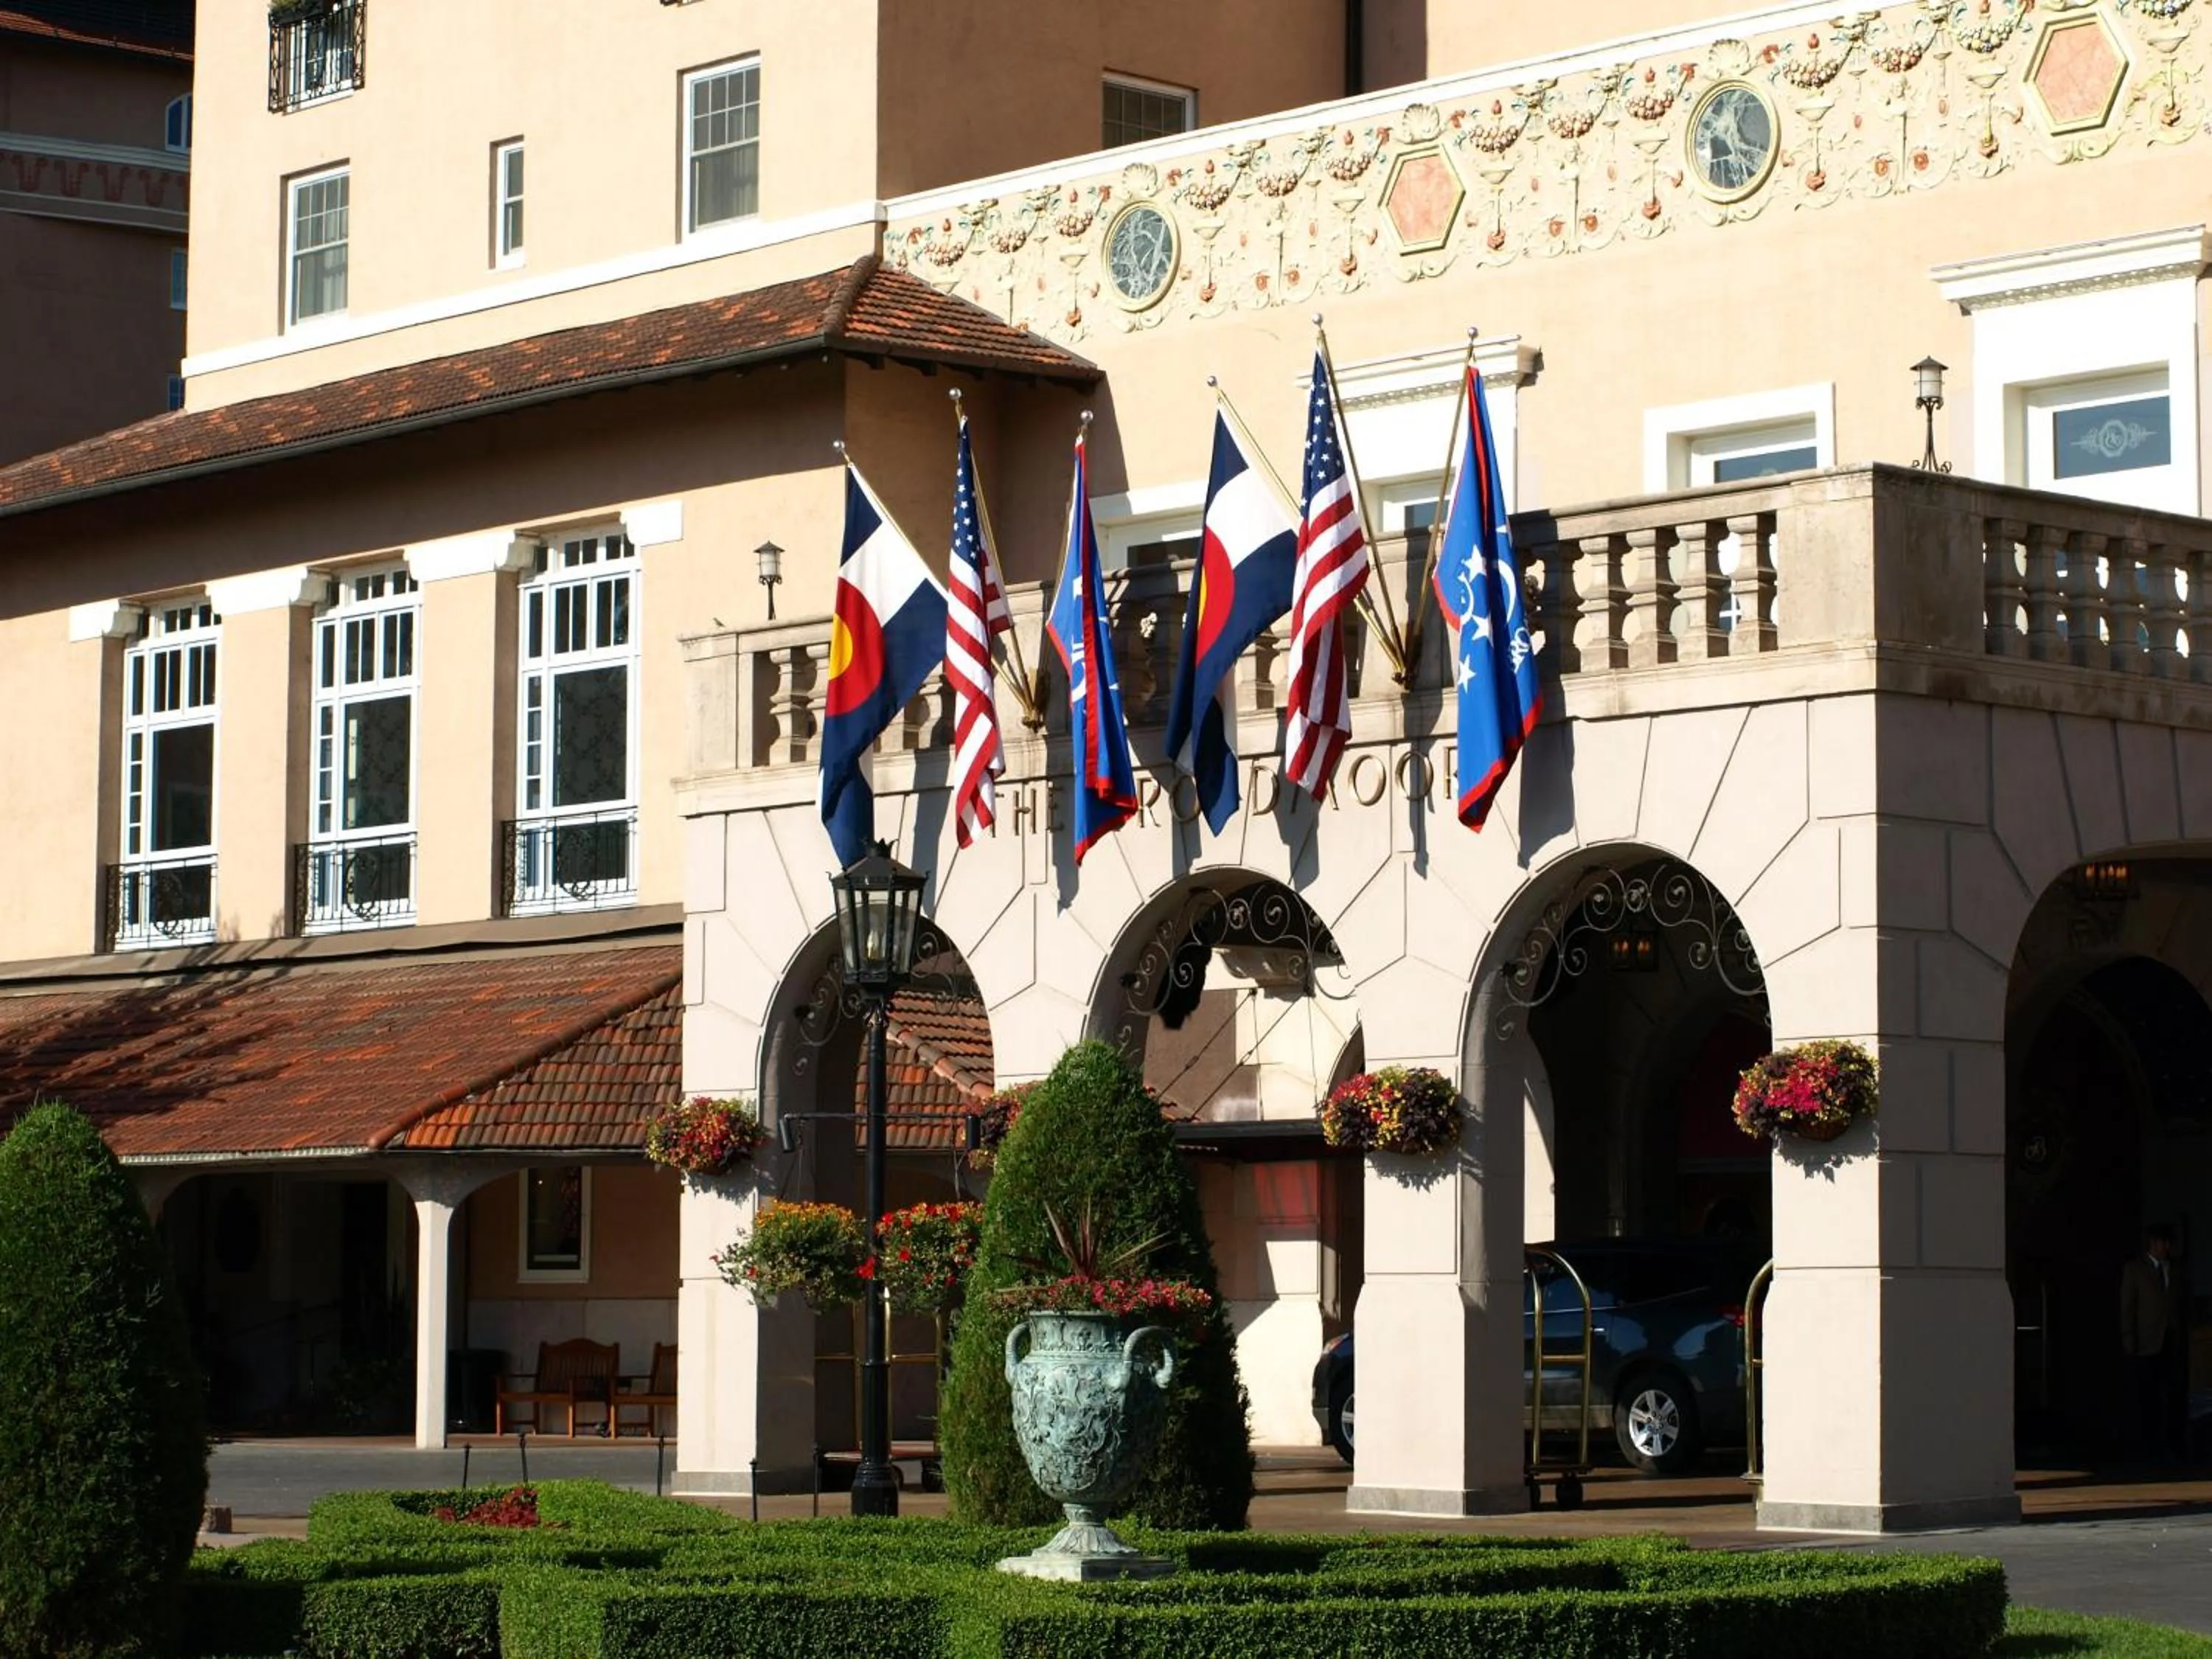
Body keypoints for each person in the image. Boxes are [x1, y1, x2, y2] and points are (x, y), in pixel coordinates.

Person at [2120, 1223, 2185, 1464]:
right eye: (2162, 1243)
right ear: (2152, 1244)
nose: (2166, 1248)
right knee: (2148, 1396)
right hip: (2146, 1342)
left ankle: (2173, 1445)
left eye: (2168, 1243)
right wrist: (2129, 1337)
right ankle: (2149, 1447)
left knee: (2173, 1394)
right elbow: (2128, 1306)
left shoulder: (2174, 1269)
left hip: (2170, 1340)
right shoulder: (2135, 1270)